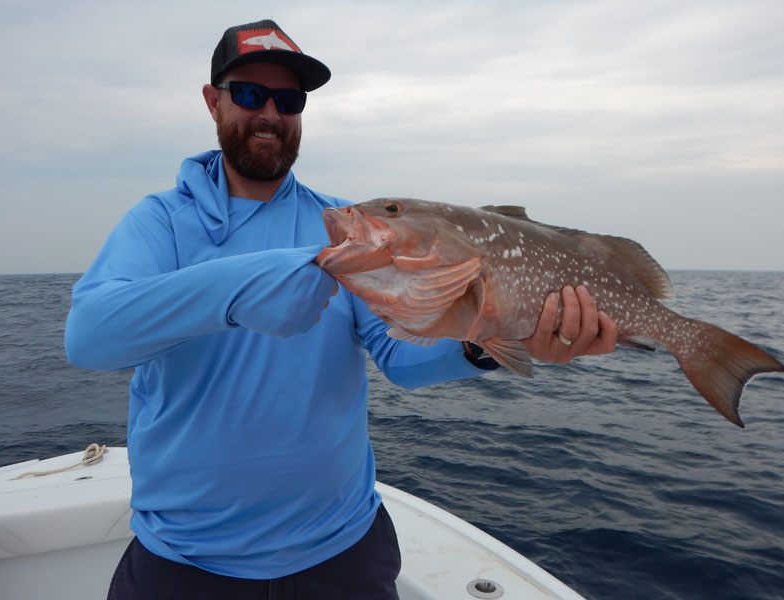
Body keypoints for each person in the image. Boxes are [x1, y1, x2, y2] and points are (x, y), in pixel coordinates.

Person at [64, 18, 618, 600]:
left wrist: (485, 344)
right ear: (213, 101)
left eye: (289, 99)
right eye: (250, 94)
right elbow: (91, 336)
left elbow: (399, 357)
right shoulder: (161, 223)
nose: (270, 114)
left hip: (341, 551)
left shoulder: (344, 226)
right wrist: (239, 291)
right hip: (186, 560)